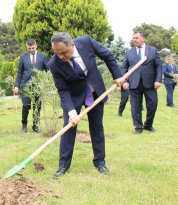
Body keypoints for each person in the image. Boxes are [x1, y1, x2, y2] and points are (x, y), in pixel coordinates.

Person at [48, 32, 123, 178]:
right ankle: (63, 165)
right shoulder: (54, 64)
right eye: (58, 54)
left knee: (96, 126)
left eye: (64, 53)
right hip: (74, 96)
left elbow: (107, 55)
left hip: (95, 92)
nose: (61, 57)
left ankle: (100, 162)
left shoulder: (86, 42)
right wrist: (71, 112)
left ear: (73, 45)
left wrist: (117, 75)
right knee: (68, 128)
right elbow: (63, 89)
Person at [121, 31, 162, 135]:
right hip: (134, 83)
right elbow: (124, 67)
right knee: (136, 107)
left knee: (153, 105)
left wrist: (158, 80)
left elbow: (158, 66)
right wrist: (125, 81)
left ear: (143, 38)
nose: (135, 40)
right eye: (133, 38)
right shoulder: (129, 52)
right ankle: (138, 127)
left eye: (137, 38)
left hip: (150, 83)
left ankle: (148, 125)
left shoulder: (152, 51)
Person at [13, 39, 49, 133]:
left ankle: (35, 126)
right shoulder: (23, 57)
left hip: (38, 85)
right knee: (25, 106)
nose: (31, 50)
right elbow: (20, 72)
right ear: (26, 47)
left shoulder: (42, 56)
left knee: (37, 106)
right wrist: (17, 85)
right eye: (29, 48)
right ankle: (24, 125)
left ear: (36, 46)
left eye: (32, 48)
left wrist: (47, 79)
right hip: (26, 85)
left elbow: (48, 69)